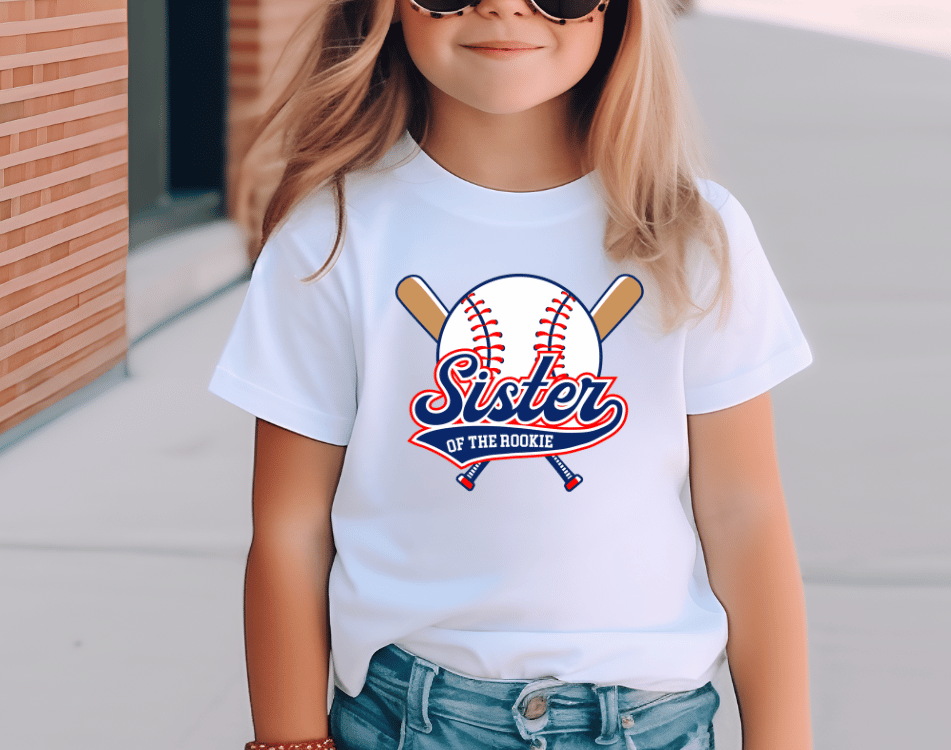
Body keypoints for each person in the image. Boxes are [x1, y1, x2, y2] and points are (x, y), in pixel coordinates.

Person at [209, 1, 815, 749]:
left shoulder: (691, 231)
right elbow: (289, 528)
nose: (503, 6)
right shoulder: (334, 235)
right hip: (408, 717)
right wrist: (288, 741)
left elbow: (743, 511)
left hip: (648, 720)